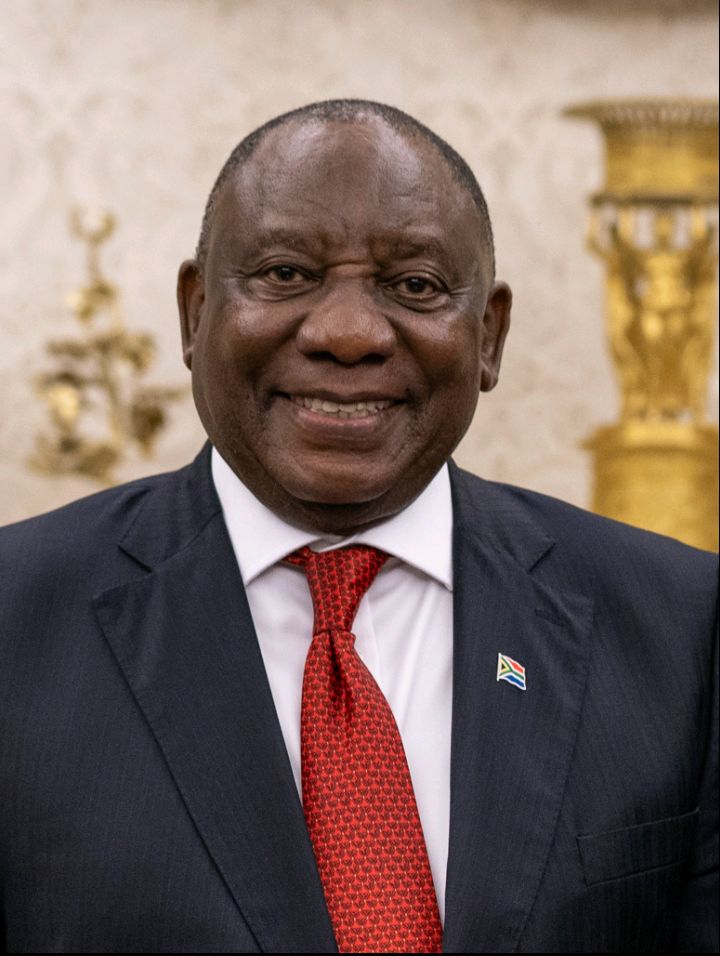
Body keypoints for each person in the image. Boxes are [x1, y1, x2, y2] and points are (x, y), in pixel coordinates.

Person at [0, 99, 716, 954]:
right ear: (195, 313)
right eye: (285, 273)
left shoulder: (682, 628)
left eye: (414, 286)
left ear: (489, 336)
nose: (348, 334)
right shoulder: (16, 619)